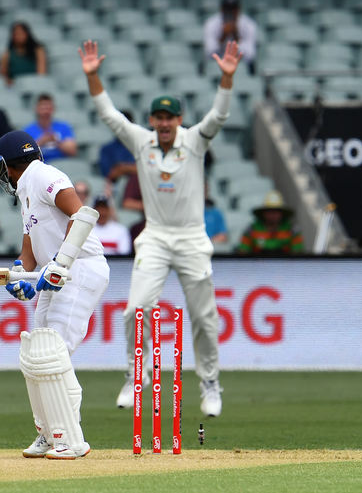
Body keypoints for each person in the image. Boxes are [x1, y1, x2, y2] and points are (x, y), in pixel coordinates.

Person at [80, 38, 243, 417]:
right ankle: (138, 375)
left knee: (204, 317)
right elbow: (110, 116)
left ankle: (210, 383)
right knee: (135, 310)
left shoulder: (194, 142)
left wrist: (227, 80)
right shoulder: (142, 142)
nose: (165, 124)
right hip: (154, 236)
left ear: (179, 119)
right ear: (152, 120)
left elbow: (218, 118)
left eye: (171, 118)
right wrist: (93, 77)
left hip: (191, 238)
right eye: (160, 118)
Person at [0, 129, 109, 459]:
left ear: (4, 165)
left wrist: (59, 263)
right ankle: (47, 433)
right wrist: (19, 271)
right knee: (35, 354)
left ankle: (71, 439)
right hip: (57, 273)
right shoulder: (27, 189)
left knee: (53, 353)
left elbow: (82, 214)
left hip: (80, 267)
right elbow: (30, 246)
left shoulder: (44, 175)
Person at [237, 190, 304, 254]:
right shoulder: (251, 230)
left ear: (281, 213)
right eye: (269, 211)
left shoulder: (292, 231)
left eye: (276, 211)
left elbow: (297, 254)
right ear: (263, 213)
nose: (273, 215)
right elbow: (243, 253)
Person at [203, 0, 257, 72]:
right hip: (217, 67)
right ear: (222, 9)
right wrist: (222, 37)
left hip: (240, 67)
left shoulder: (248, 24)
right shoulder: (211, 23)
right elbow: (209, 54)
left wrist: (236, 37)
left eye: (233, 9)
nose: (230, 12)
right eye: (227, 9)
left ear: (238, 9)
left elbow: (250, 56)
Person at [23, 94, 77, 161]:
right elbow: (25, 155)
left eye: (49, 108)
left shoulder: (63, 127)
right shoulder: (28, 131)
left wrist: (56, 141)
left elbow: (72, 151)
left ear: (53, 109)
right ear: (36, 109)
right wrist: (41, 142)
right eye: (43, 108)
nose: (46, 112)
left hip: (61, 165)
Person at [0, 21, 47, 86]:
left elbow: (41, 74)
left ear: (27, 34)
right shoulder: (6, 55)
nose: (19, 36)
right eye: (16, 34)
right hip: (15, 88)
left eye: (21, 33)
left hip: (35, 86)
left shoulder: (38, 51)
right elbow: (3, 76)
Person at [98, 110, 136, 182]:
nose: (123, 129)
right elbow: (109, 175)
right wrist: (132, 168)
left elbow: (147, 171)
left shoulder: (142, 146)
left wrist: (123, 168)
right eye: (119, 125)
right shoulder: (106, 149)